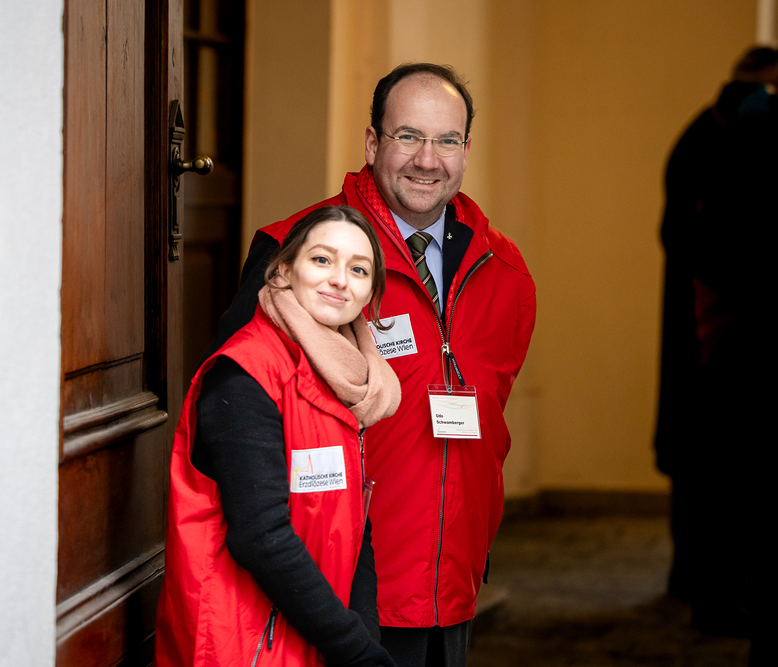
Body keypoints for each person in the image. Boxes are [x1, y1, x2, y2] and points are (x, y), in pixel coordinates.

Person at [206, 63, 536, 667]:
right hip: (333, 593)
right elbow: (238, 422)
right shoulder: (300, 259)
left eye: (447, 140)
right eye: (408, 136)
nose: (427, 160)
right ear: (372, 143)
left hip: (452, 584)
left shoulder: (505, 272)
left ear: (466, 151)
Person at [155, 205, 402, 667]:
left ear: (370, 291)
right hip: (246, 643)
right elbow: (261, 536)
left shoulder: (345, 377)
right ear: (284, 270)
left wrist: (366, 636)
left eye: (359, 269)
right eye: (322, 260)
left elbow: (354, 520)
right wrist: (357, 651)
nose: (340, 280)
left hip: (314, 634)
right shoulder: (245, 373)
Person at [691, 37, 778, 665]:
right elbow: (714, 246)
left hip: (776, 345)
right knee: (772, 515)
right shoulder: (750, 145)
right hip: (767, 353)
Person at [653, 46, 777, 632]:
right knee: (713, 458)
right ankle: (707, 583)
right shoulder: (719, 139)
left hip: (717, 326)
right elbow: (698, 239)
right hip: (712, 327)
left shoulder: (722, 132)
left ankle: (705, 579)